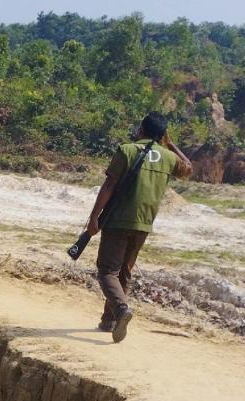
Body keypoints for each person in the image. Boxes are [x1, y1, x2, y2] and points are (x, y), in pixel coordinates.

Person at [82, 112, 192, 343]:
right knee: (123, 271)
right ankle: (109, 320)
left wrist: (94, 217)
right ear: (162, 135)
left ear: (141, 130)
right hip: (144, 224)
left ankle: (121, 310)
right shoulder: (168, 158)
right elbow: (188, 169)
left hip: (117, 220)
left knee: (106, 271)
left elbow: (109, 184)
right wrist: (170, 144)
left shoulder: (127, 150)